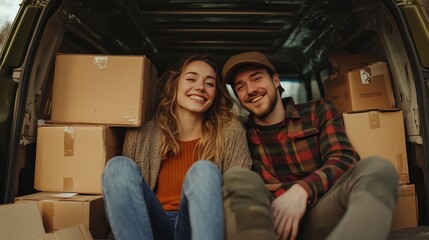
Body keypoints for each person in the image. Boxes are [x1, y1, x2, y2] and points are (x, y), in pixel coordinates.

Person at [221, 51, 400, 240]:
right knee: (236, 176)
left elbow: (344, 159)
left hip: (321, 213)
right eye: (240, 87)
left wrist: (302, 190)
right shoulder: (239, 132)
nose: (250, 90)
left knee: (378, 168)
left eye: (256, 79)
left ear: (275, 80)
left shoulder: (318, 111)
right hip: (271, 223)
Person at [102, 54, 252, 240]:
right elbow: (125, 202)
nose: (200, 87)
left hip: (199, 227)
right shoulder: (142, 132)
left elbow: (239, 195)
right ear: (175, 85)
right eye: (191, 79)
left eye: (210, 84)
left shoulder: (231, 131)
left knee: (204, 170)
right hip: (152, 226)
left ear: (216, 94)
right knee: (118, 167)